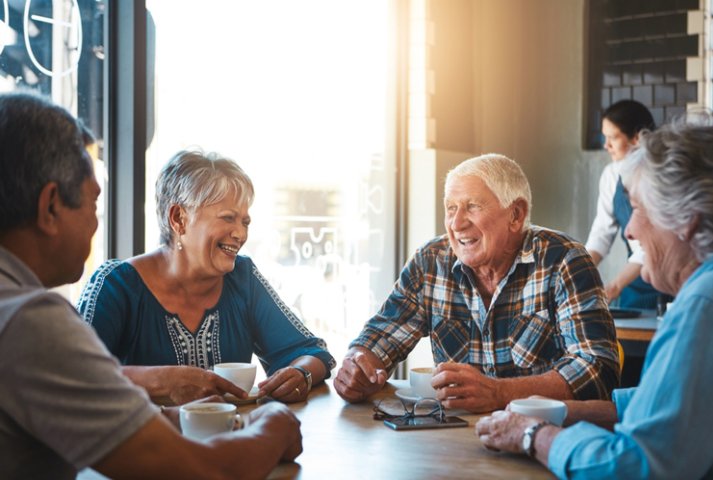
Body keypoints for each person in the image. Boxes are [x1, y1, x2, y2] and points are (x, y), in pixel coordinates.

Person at [0, 92, 302, 479]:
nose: (96, 224)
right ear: (51, 207)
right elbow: (205, 471)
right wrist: (273, 426)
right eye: (93, 204)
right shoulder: (30, 322)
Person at [476, 121, 713, 478]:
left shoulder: (711, 303)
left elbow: (633, 468)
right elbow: (673, 407)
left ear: (686, 219)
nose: (629, 230)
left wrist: (532, 435)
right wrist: (565, 411)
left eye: (637, 209)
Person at [334, 153, 620, 413]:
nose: (456, 223)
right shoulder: (431, 261)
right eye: (450, 208)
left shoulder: (565, 260)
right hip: (454, 442)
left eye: (472, 207)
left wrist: (500, 393)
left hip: (540, 441)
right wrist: (358, 364)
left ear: (515, 215)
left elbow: (598, 370)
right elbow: (380, 338)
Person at [77, 149, 336, 405]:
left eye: (245, 222)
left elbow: (312, 352)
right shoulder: (114, 284)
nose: (240, 234)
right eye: (228, 218)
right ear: (179, 219)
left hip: (228, 442)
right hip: (142, 445)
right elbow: (74, 375)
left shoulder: (242, 278)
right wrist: (162, 379)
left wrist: (301, 374)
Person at [586, 99, 668, 309]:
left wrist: (613, 287)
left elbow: (649, 244)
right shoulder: (611, 174)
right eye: (605, 137)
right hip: (635, 280)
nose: (606, 146)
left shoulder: (658, 175)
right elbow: (602, 231)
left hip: (667, 278)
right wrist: (578, 271)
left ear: (637, 138)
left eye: (613, 138)